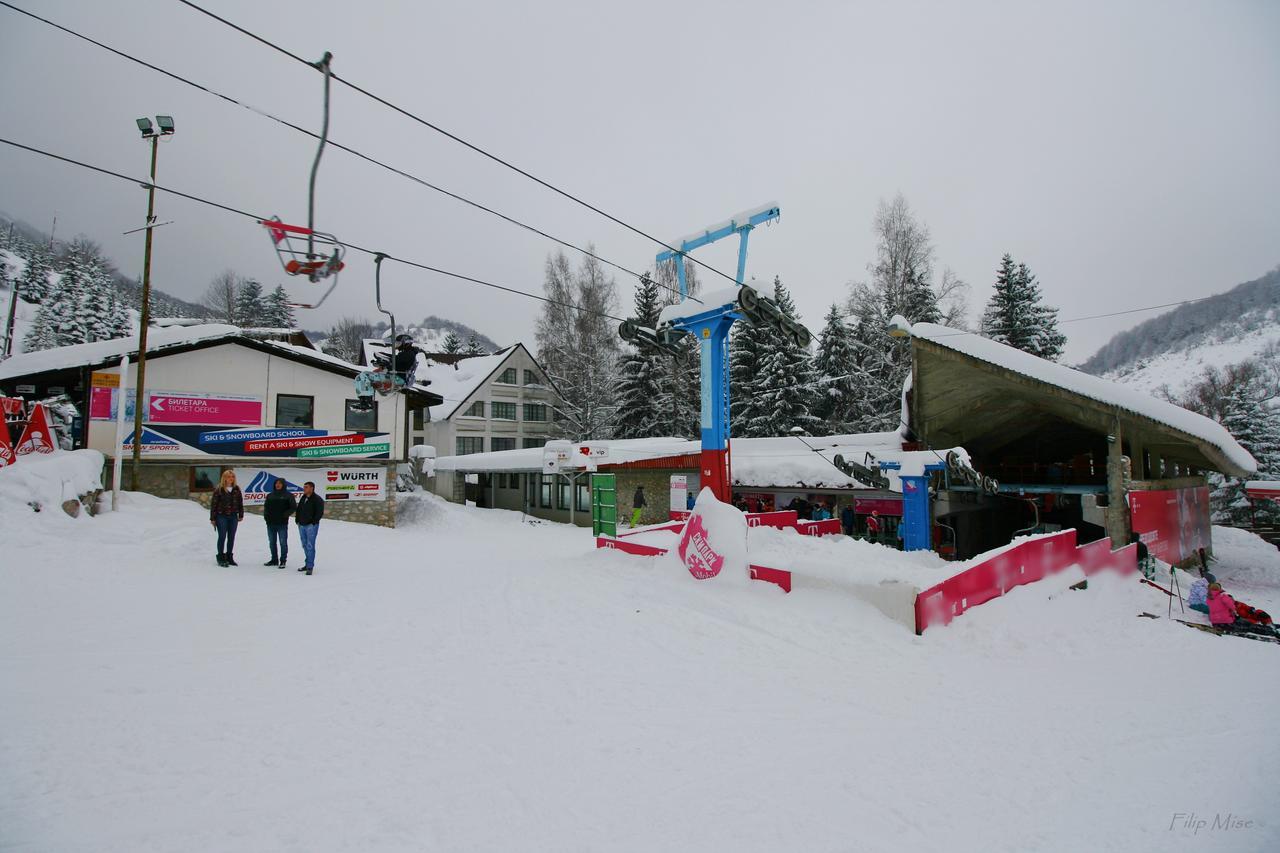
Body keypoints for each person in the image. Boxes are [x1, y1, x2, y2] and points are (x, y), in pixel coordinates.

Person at [354, 334, 423, 411]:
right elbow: (396, 362)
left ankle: (367, 402)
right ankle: (364, 401)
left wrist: (386, 363)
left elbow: (395, 363)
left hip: (398, 378)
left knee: (364, 375)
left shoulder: (408, 354)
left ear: (405, 343)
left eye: (398, 343)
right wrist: (383, 363)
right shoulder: (407, 354)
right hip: (397, 377)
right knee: (362, 377)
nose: (397, 346)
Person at [210, 470, 244, 567]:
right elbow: (214, 505)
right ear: (224, 478)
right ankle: (221, 556)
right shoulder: (219, 489)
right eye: (229, 476)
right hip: (222, 516)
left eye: (232, 476)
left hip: (233, 516)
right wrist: (212, 518)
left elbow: (240, 503)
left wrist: (241, 514)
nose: (231, 478)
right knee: (222, 536)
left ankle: (229, 556)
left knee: (231, 537)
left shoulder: (236, 489)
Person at [262, 478, 297, 568]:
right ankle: (274, 559)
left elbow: (293, 507)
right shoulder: (270, 495)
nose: (278, 485)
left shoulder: (288, 495)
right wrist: (266, 518)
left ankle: (283, 560)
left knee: (283, 542)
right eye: (276, 483)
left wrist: (285, 515)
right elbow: (266, 508)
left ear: (283, 485)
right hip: (270, 523)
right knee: (272, 542)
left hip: (282, 523)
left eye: (280, 483)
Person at [295, 481, 325, 576]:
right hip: (302, 525)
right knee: (304, 544)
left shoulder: (317, 499)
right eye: (304, 487)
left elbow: (319, 513)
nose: (304, 489)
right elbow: (299, 509)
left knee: (310, 546)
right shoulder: (303, 498)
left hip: (311, 526)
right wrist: (297, 520)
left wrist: (313, 522)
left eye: (306, 487)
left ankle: (310, 566)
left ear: (312, 488)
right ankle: (307, 563)